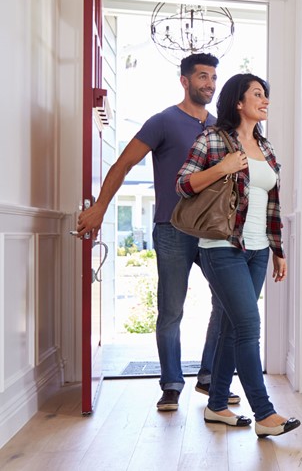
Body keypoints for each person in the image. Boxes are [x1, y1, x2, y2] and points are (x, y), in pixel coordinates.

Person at [75, 53, 240, 411]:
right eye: (202, 77)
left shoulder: (219, 128)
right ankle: (171, 383)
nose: (209, 84)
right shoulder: (163, 121)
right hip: (172, 228)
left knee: (227, 304)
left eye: (213, 77)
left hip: (214, 233)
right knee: (171, 310)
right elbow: (122, 164)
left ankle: (210, 377)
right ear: (185, 80)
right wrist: (100, 207)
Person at [176, 73, 300, 438]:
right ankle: (264, 414)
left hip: (259, 250)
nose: (265, 101)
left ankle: (216, 406)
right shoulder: (213, 139)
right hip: (222, 248)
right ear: (238, 102)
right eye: (258, 95)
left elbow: (273, 204)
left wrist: (278, 251)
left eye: (267, 95)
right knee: (248, 327)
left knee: (232, 328)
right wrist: (222, 167)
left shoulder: (267, 147)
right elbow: (182, 184)